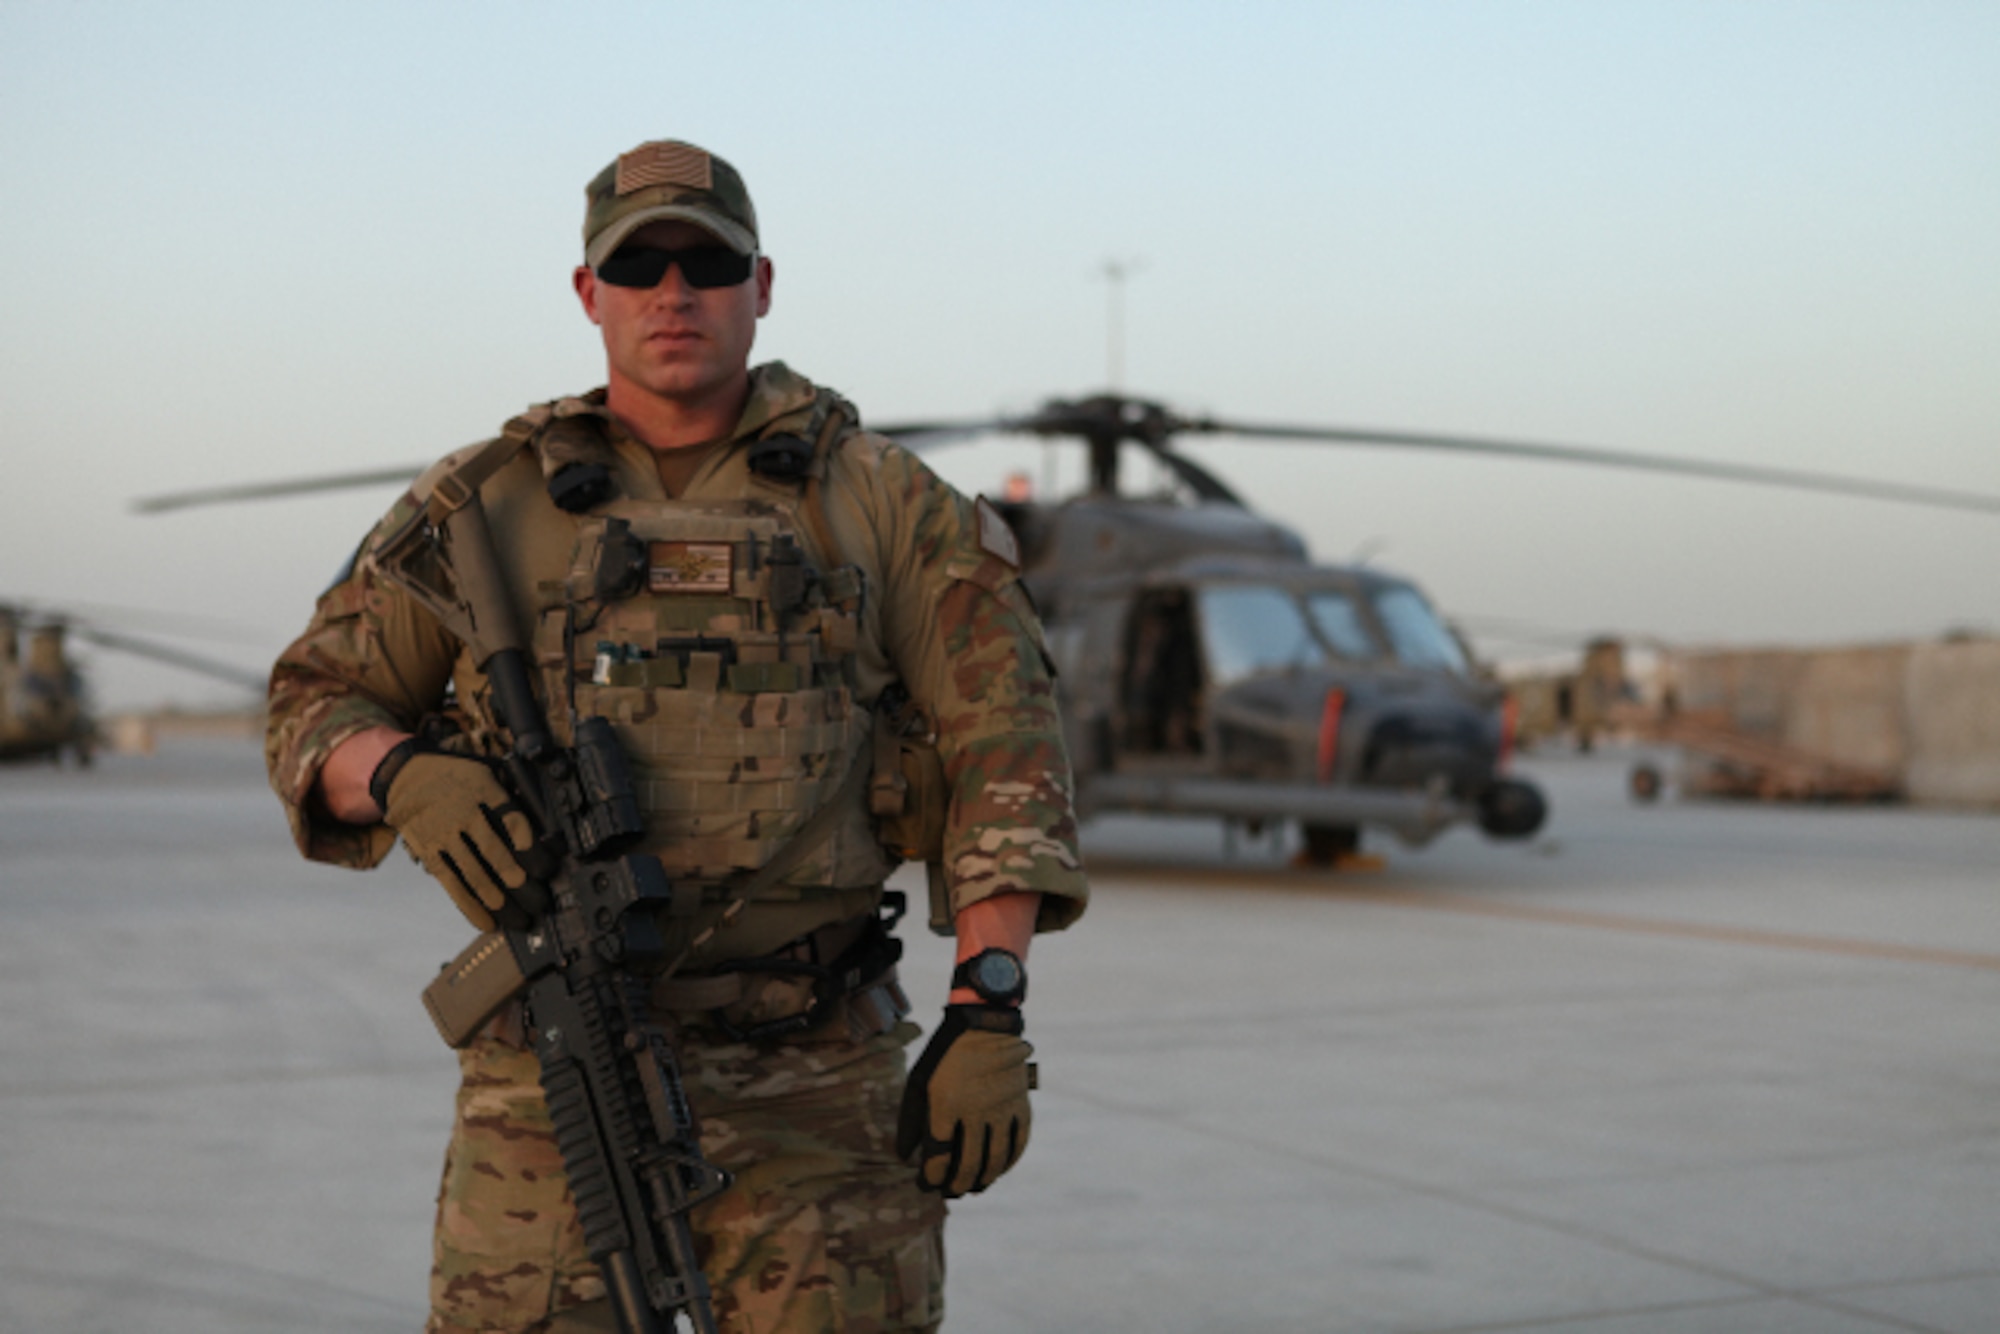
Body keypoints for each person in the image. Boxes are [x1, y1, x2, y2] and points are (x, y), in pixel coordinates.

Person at [265, 137, 1088, 1334]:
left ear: (759, 286)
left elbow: (1003, 748)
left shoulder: (882, 500)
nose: (672, 289)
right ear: (587, 293)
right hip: (553, 1075)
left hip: (815, 1084)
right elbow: (310, 700)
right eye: (637, 262)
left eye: (705, 261)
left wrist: (988, 1004)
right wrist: (396, 771)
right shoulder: (481, 503)